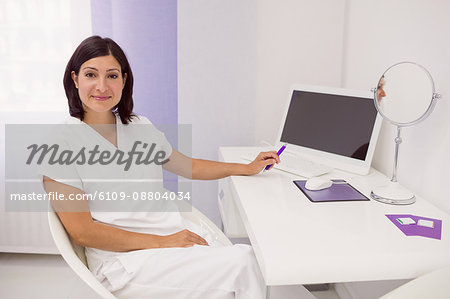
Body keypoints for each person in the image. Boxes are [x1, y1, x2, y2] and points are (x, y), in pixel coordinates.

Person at [40, 36, 281, 299]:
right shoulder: (60, 145)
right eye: (90, 74)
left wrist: (246, 167)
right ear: (75, 80)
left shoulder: (139, 127)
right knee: (244, 262)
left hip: (171, 236)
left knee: (253, 267)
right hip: (124, 263)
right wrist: (163, 242)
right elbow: (83, 232)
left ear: (124, 80)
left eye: (111, 75)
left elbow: (189, 167)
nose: (101, 86)